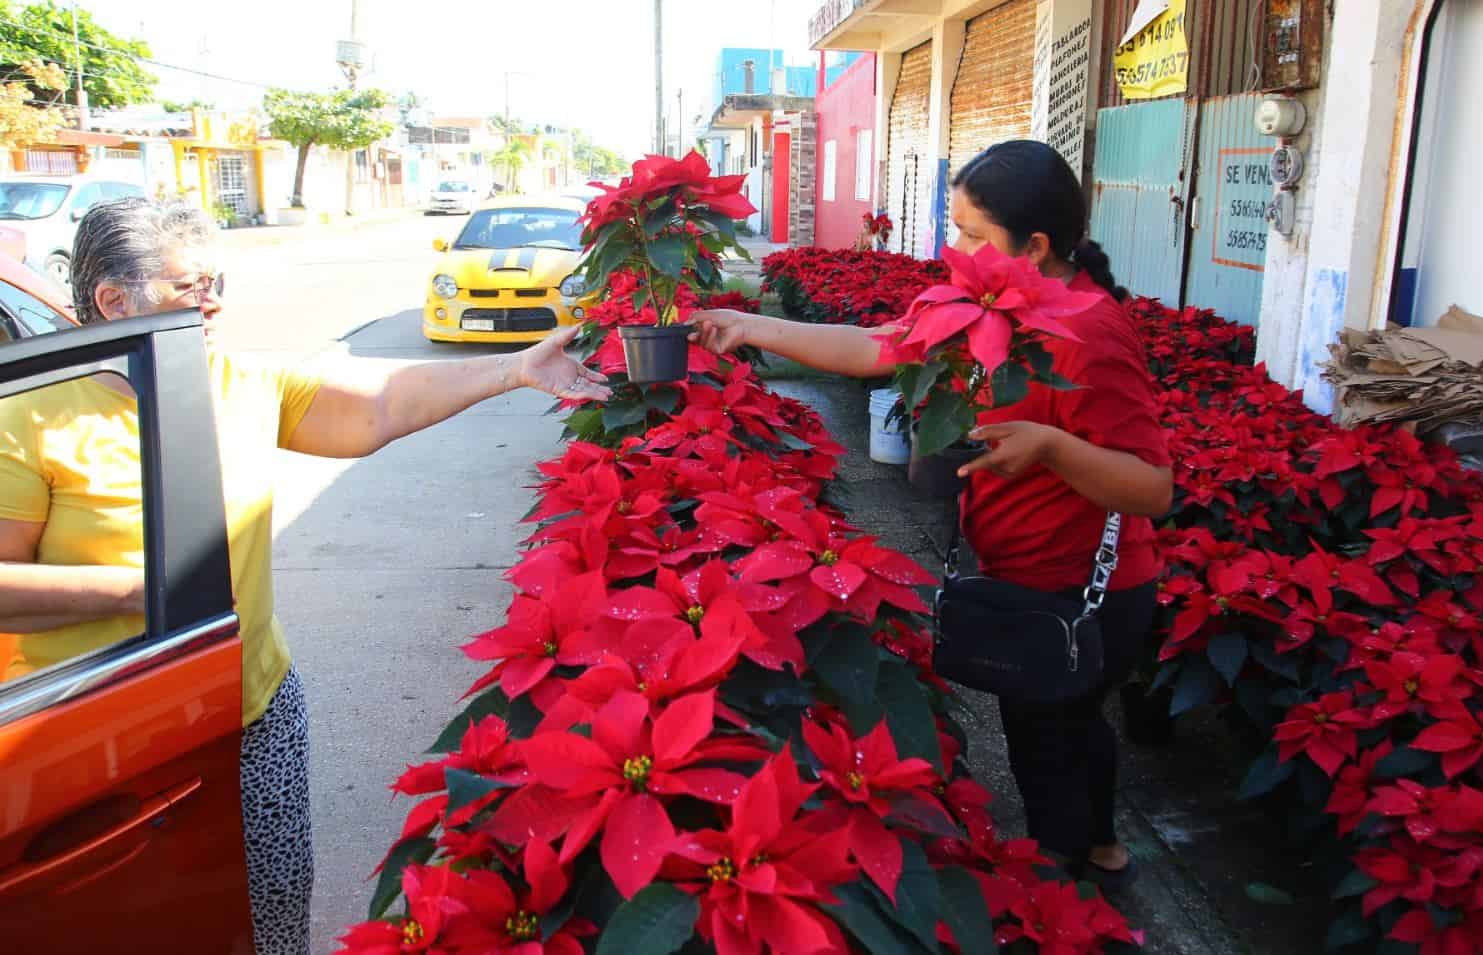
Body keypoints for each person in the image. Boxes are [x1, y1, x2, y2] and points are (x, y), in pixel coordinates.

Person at [0, 197, 609, 954]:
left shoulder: (230, 379)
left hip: (256, 709)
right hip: (102, 732)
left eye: (217, 279)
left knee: (276, 908)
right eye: (190, 286)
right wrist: (142, 592)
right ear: (114, 301)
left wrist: (516, 369)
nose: (214, 299)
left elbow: (381, 405)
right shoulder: (33, 418)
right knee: (142, 923)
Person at [691, 139, 1173, 888]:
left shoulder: (1091, 333)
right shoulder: (969, 303)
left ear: (1036, 246)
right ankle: (1099, 847)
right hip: (1020, 569)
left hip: (1089, 590)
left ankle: (1075, 877)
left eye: (975, 236)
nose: (957, 251)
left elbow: (1152, 489)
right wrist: (749, 326)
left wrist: (1049, 447)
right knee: (1063, 724)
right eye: (956, 229)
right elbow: (879, 346)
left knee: (1052, 730)